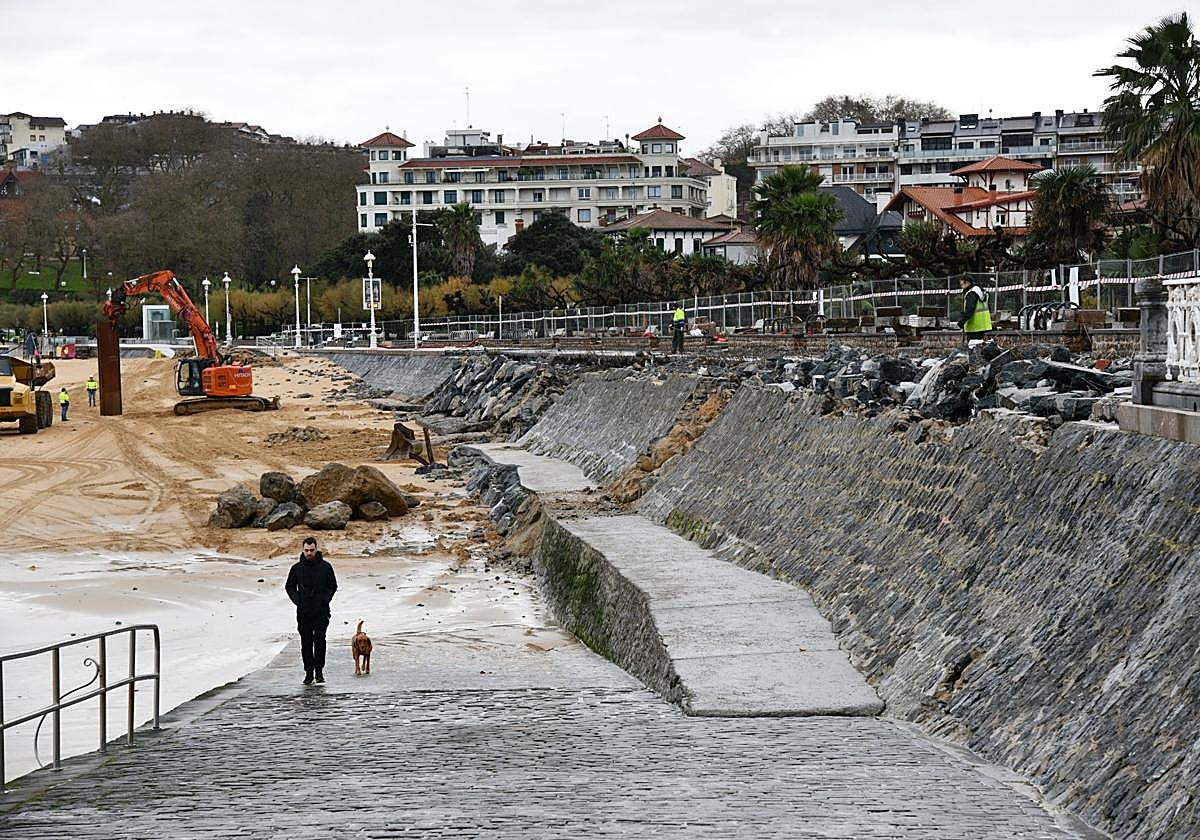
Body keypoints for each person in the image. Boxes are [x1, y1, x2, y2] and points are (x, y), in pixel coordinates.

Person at [285, 536, 338, 685]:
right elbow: (289, 586)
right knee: (306, 642)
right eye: (306, 550)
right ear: (303, 550)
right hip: (303, 611)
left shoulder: (325, 567)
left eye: (312, 550)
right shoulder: (296, 568)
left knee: (320, 640)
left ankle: (319, 672)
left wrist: (324, 600)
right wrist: (298, 601)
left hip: (321, 611)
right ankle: (309, 673)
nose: (309, 553)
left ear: (316, 549)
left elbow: (332, 585)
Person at [959, 276, 992, 340]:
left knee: (973, 347)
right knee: (980, 347)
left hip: (974, 327)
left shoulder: (971, 293)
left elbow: (969, 310)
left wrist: (961, 322)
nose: (961, 287)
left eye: (962, 284)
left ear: (968, 283)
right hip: (983, 326)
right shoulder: (980, 292)